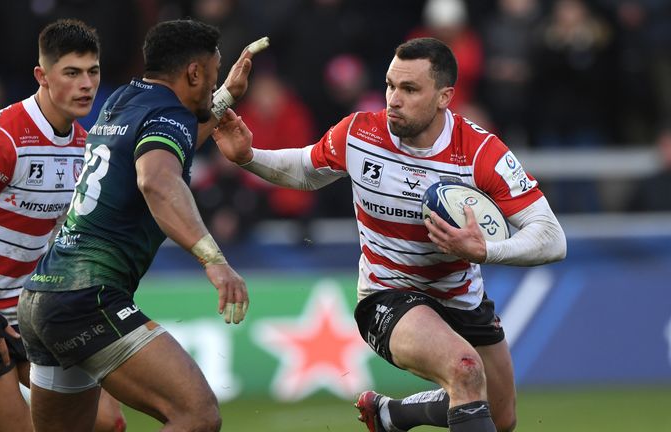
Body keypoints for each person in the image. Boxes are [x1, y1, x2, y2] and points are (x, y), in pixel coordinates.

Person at [213, 37, 567, 432]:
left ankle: (390, 415)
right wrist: (248, 156)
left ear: (444, 97)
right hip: (388, 296)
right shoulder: (360, 134)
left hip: (461, 299)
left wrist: (487, 250)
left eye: (410, 89)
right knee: (466, 371)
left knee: (501, 419)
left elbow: (551, 237)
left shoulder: (481, 152)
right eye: (390, 85)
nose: (394, 99)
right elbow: (306, 168)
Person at [17, 19, 266, 432]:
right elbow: (157, 180)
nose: (213, 85)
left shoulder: (125, 99)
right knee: (198, 415)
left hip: (43, 297)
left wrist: (223, 97)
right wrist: (213, 259)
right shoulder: (168, 115)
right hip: (88, 298)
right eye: (213, 75)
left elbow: (171, 144)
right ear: (194, 72)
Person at [0, 19, 126, 432]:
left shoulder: (83, 144)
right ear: (42, 76)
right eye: (71, 72)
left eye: (93, 71)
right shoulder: (2, 139)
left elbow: (58, 236)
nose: (86, 84)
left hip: (28, 314)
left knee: (108, 423)